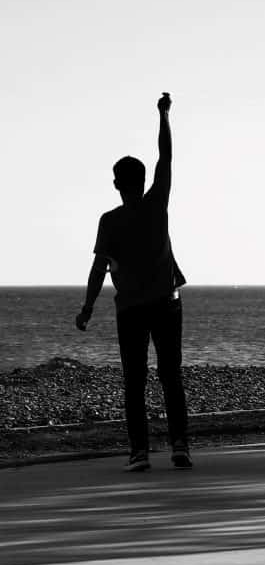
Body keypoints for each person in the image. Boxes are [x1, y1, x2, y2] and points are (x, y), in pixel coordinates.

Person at [75, 93, 191, 471]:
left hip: (131, 310)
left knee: (134, 382)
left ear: (115, 184)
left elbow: (97, 271)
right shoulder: (157, 203)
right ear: (142, 181)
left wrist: (87, 309)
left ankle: (139, 452)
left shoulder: (110, 222)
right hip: (166, 304)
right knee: (171, 377)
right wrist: (164, 116)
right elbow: (166, 157)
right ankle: (179, 446)